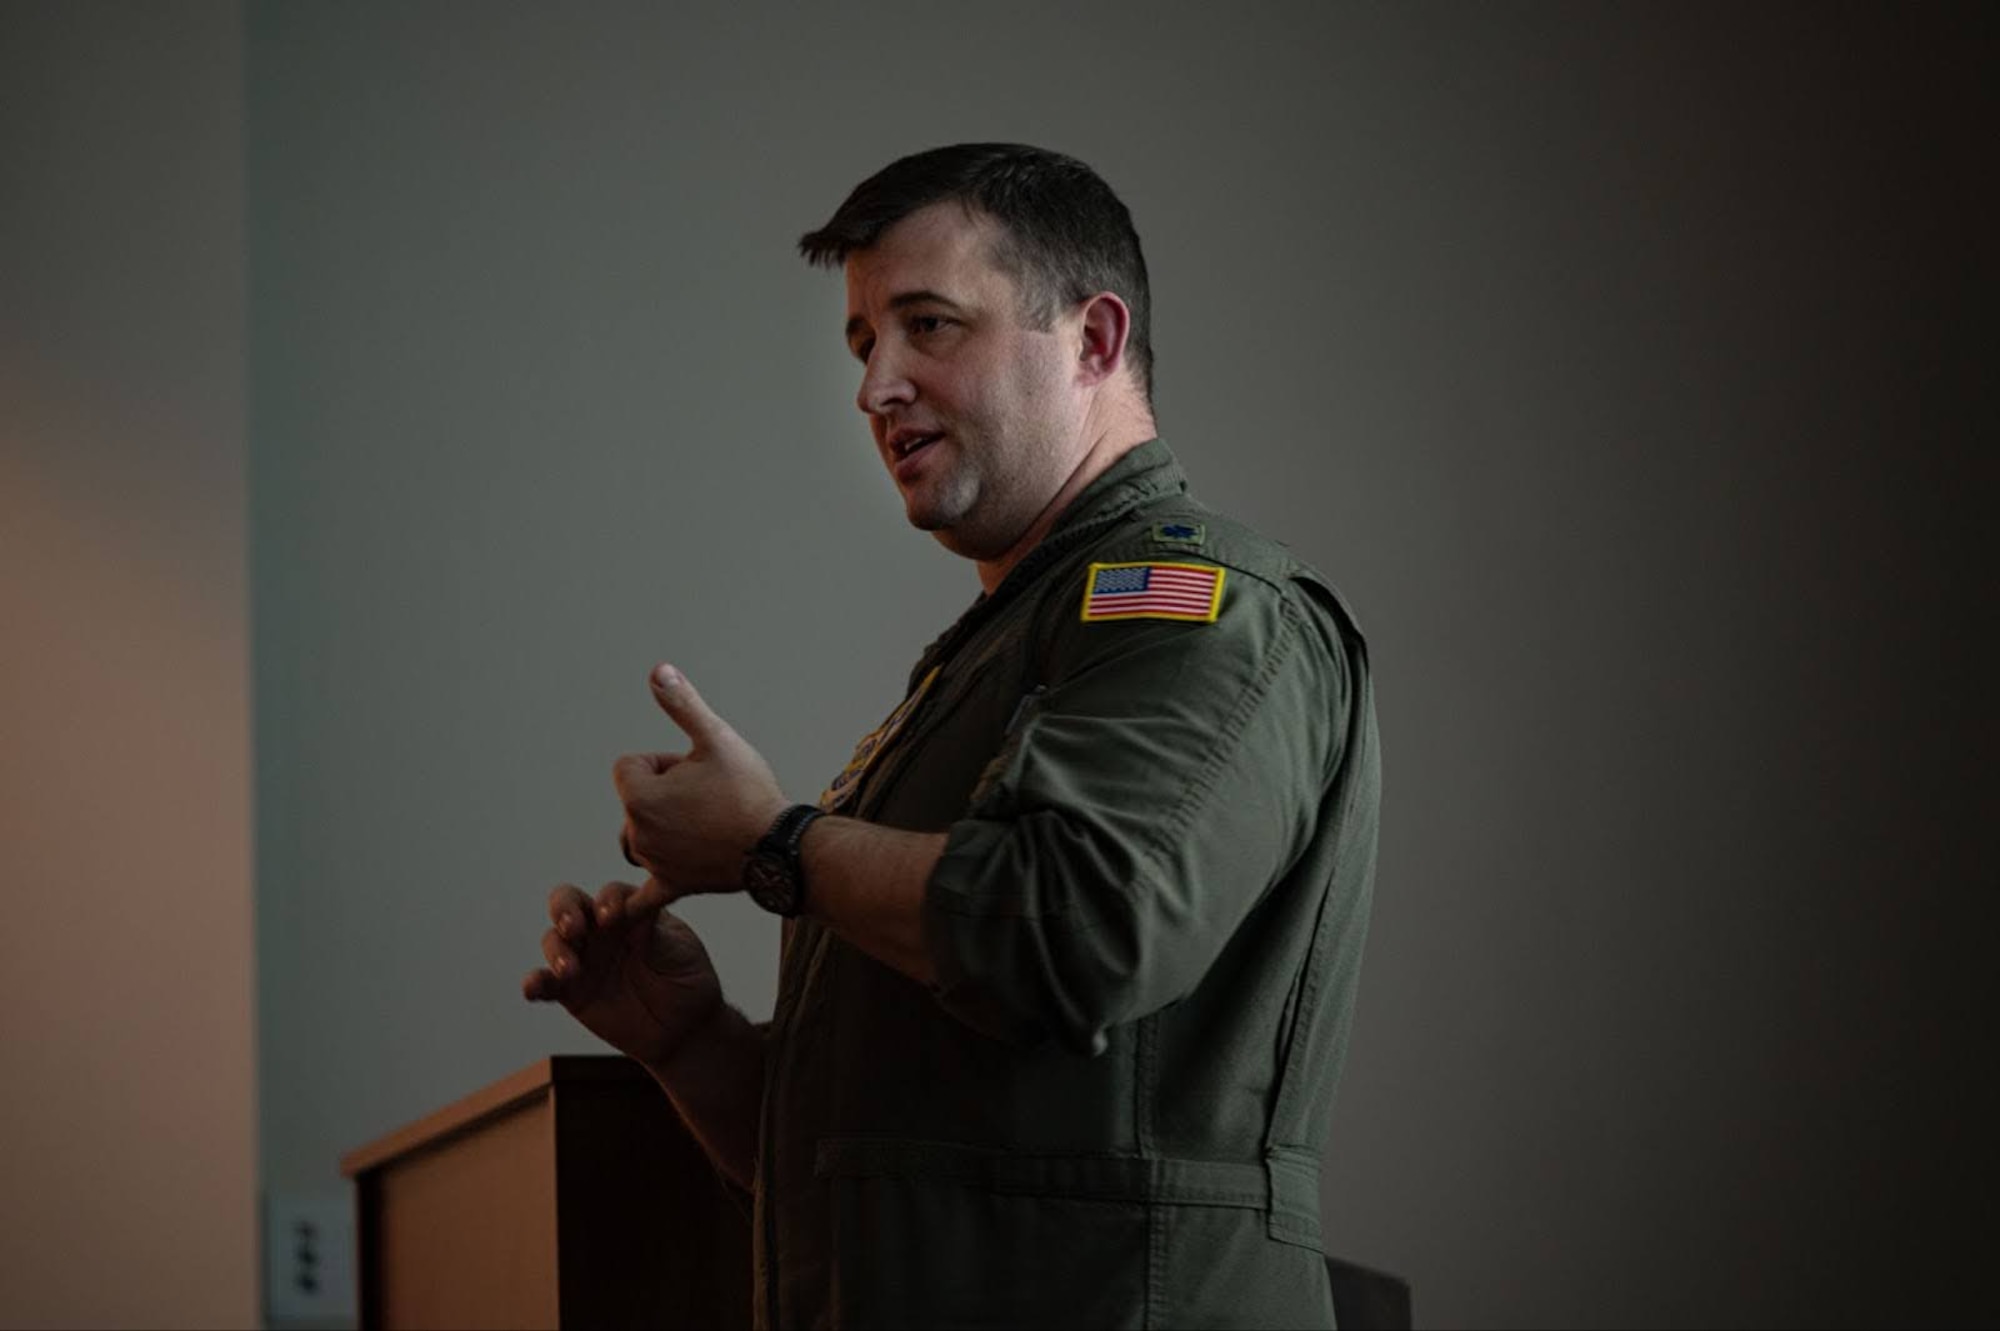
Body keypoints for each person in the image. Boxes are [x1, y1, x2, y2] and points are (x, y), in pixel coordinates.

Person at [523, 143, 1380, 1330]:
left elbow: (1072, 928)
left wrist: (775, 842)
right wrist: (690, 1043)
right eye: (864, 342)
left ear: (1091, 340)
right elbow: (879, 1177)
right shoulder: (999, 650)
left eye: (929, 325)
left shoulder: (1198, 607)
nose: (878, 384)